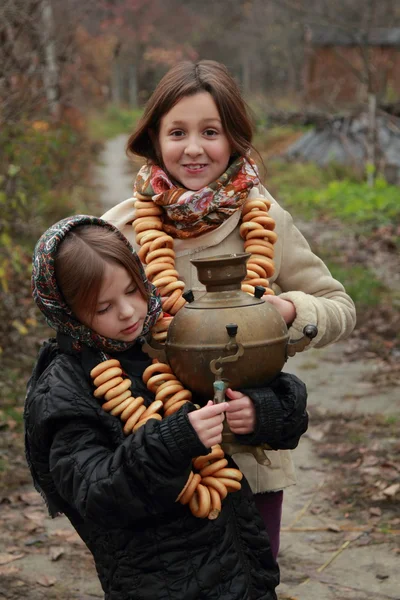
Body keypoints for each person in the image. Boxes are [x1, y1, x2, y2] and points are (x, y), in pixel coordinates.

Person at [101, 59, 357, 560]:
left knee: (250, 580)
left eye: (210, 131)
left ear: (234, 138)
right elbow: (83, 330)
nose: (193, 148)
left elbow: (338, 305)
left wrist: (288, 311)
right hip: (154, 459)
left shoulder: (264, 218)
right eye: (178, 132)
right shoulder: (119, 232)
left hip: (249, 463)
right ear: (154, 139)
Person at [24, 214, 309, 600]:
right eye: (103, 307)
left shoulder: (165, 338)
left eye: (133, 290)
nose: (127, 312)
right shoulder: (64, 388)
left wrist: (260, 412)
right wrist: (175, 441)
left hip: (235, 562)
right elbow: (94, 493)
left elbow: (277, 394)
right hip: (156, 579)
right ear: (65, 310)